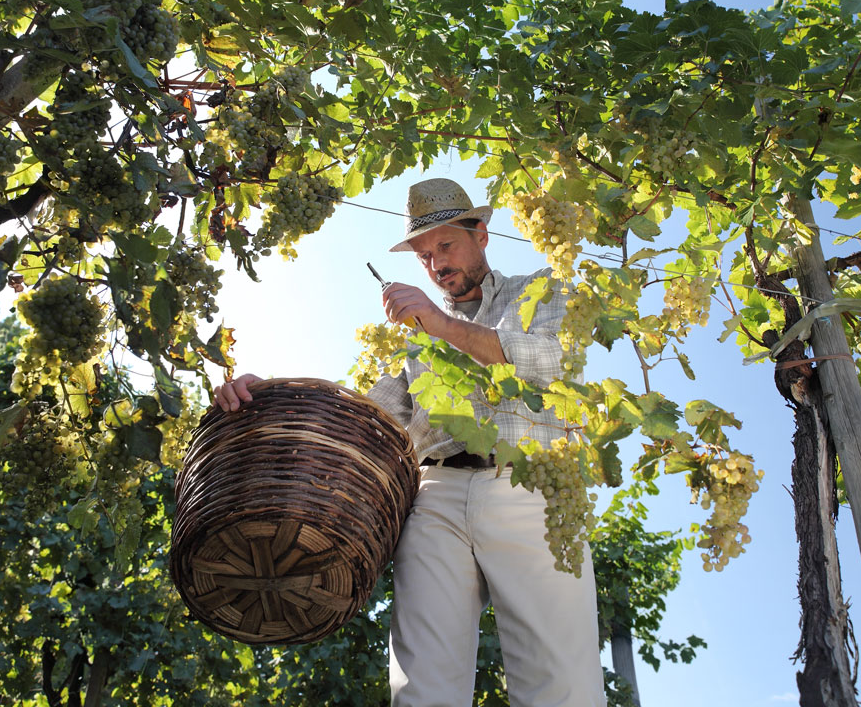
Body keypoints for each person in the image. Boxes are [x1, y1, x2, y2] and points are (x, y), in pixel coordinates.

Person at [213, 178, 605, 707]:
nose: (435, 264)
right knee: (421, 691)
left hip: (529, 484)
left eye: (445, 245)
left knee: (560, 686)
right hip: (435, 496)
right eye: (423, 255)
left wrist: (441, 325)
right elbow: (364, 421)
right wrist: (271, 396)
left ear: (481, 234)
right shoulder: (419, 343)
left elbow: (554, 363)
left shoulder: (539, 291)